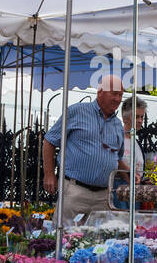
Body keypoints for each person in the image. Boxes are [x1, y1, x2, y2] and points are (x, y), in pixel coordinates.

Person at [42, 75, 126, 223]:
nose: (118, 99)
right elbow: (49, 141)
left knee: (98, 242)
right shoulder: (76, 112)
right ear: (100, 92)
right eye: (114, 93)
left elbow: (116, 158)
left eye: (120, 95)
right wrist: (49, 174)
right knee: (65, 238)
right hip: (75, 191)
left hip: (103, 196)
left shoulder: (118, 125)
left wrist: (132, 176)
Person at [121, 96, 146, 181]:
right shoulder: (117, 140)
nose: (140, 121)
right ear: (125, 119)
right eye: (136, 117)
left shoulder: (137, 143)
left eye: (142, 117)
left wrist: (143, 181)